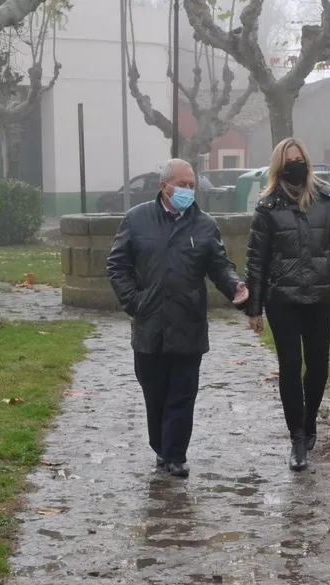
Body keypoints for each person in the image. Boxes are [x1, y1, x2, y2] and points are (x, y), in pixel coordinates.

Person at [106, 158, 249, 478]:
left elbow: (219, 266)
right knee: (154, 393)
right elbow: (117, 265)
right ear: (164, 187)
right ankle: (161, 447)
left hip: (188, 323)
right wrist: (134, 301)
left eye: (191, 185)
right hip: (149, 325)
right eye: (182, 184)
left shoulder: (205, 225)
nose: (187, 190)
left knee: (182, 394)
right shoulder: (136, 219)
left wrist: (235, 286)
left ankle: (175, 455)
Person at [243, 138, 330, 472]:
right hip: (282, 299)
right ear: (278, 167)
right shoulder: (268, 206)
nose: (294, 165)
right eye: (288, 161)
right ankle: (296, 436)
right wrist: (254, 308)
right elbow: (256, 259)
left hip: (320, 298)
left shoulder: (327, 199)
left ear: (307, 162)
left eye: (299, 159)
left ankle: (310, 419)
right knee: (290, 366)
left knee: (318, 366)